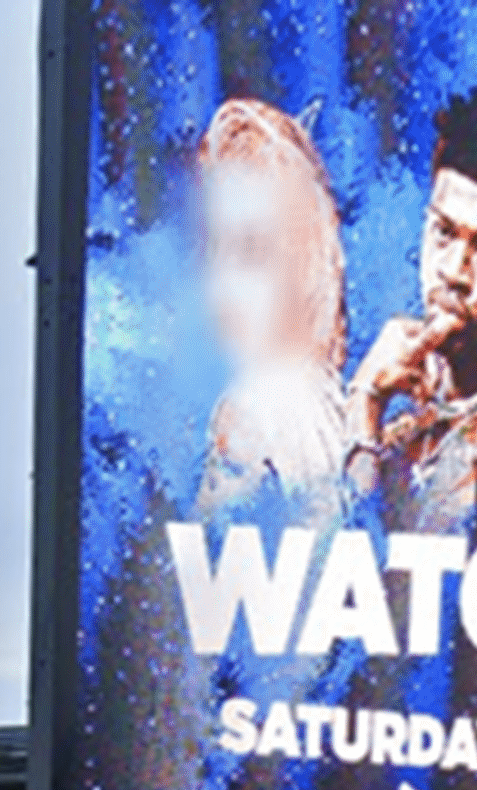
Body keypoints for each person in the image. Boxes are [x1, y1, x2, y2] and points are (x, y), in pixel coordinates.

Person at [348, 89, 477, 534]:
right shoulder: (407, 423)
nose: (453, 271)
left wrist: (364, 403)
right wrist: (368, 405)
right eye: (442, 233)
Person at [190, 98, 352, 525]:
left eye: (253, 251)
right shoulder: (323, 400)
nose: (223, 284)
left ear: (306, 261)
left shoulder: (254, 407)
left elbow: (189, 572)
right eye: (214, 249)